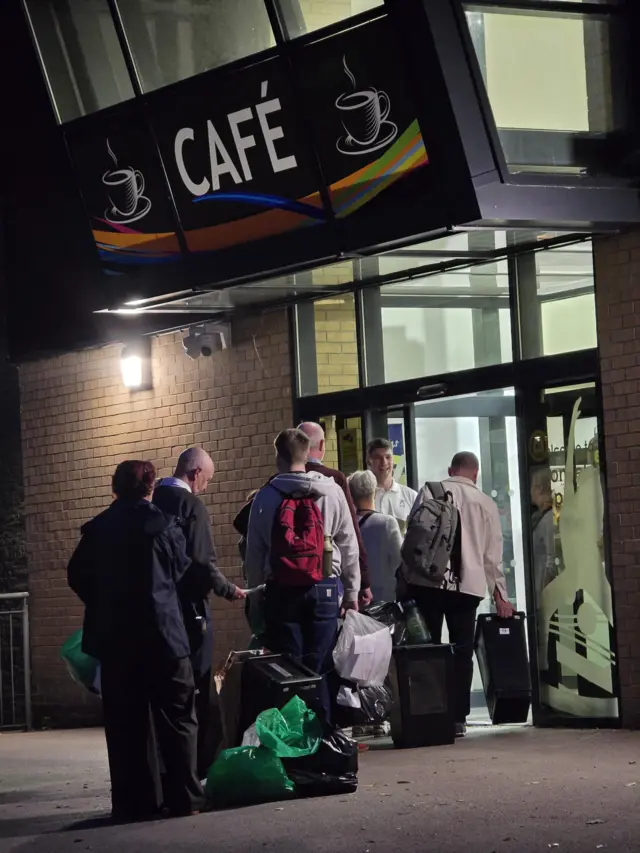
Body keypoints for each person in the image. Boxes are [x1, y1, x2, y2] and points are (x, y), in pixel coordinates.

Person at [67, 460, 203, 820]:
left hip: (116, 640)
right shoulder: (163, 525)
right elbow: (179, 568)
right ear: (150, 487)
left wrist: (104, 603)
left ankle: (133, 802)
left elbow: (77, 575)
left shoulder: (97, 531)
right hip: (164, 636)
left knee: (126, 724)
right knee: (178, 719)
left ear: (115, 488)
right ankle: (184, 798)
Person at [244, 428, 360, 722]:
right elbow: (349, 543)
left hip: (282, 589)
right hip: (324, 585)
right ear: (308, 454)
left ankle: (296, 740)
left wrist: (256, 593)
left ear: (278, 456)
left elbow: (255, 551)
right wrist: (352, 591)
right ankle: (324, 737)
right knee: (320, 664)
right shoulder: (332, 490)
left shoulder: (267, 495)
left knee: (291, 668)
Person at [399, 451, 514, 737]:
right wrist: (499, 595)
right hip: (468, 588)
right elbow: (492, 557)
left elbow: (413, 535)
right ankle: (458, 718)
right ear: (475, 474)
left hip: (428, 582)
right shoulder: (486, 503)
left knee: (429, 650)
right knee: (462, 652)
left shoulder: (430, 490)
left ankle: (430, 714)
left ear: (451, 469)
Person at [153, 447, 246, 779]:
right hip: (191, 610)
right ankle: (197, 768)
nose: (206, 486)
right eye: (206, 479)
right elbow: (203, 562)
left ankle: (167, 768)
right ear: (194, 474)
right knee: (198, 685)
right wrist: (227, 589)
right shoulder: (191, 506)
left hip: (159, 611)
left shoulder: (152, 503)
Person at [298, 421, 372, 606]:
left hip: (285, 581)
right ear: (322, 445)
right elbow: (349, 536)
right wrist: (361, 583)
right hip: (325, 577)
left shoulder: (278, 482)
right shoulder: (334, 479)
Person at [347, 469, 403, 603]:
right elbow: (399, 563)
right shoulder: (387, 523)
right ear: (375, 491)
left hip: (355, 597)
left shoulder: (347, 524)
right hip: (384, 599)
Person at [367, 438, 417, 531]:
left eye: (388, 457)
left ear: (393, 459)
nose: (384, 462)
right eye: (378, 457)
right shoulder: (363, 496)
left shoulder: (411, 496)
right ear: (369, 461)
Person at [530, 466, 557, 600]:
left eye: (532, 487)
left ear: (539, 489)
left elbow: (551, 558)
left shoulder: (548, 520)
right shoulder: (540, 517)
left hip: (544, 590)